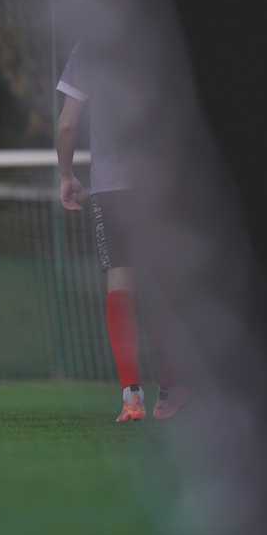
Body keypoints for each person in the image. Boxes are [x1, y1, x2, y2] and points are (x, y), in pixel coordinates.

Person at [55, 42, 185, 422]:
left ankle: (131, 397)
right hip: (161, 184)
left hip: (111, 187)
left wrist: (66, 175)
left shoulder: (87, 47)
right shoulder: (155, 32)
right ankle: (171, 392)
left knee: (119, 285)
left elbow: (66, 125)